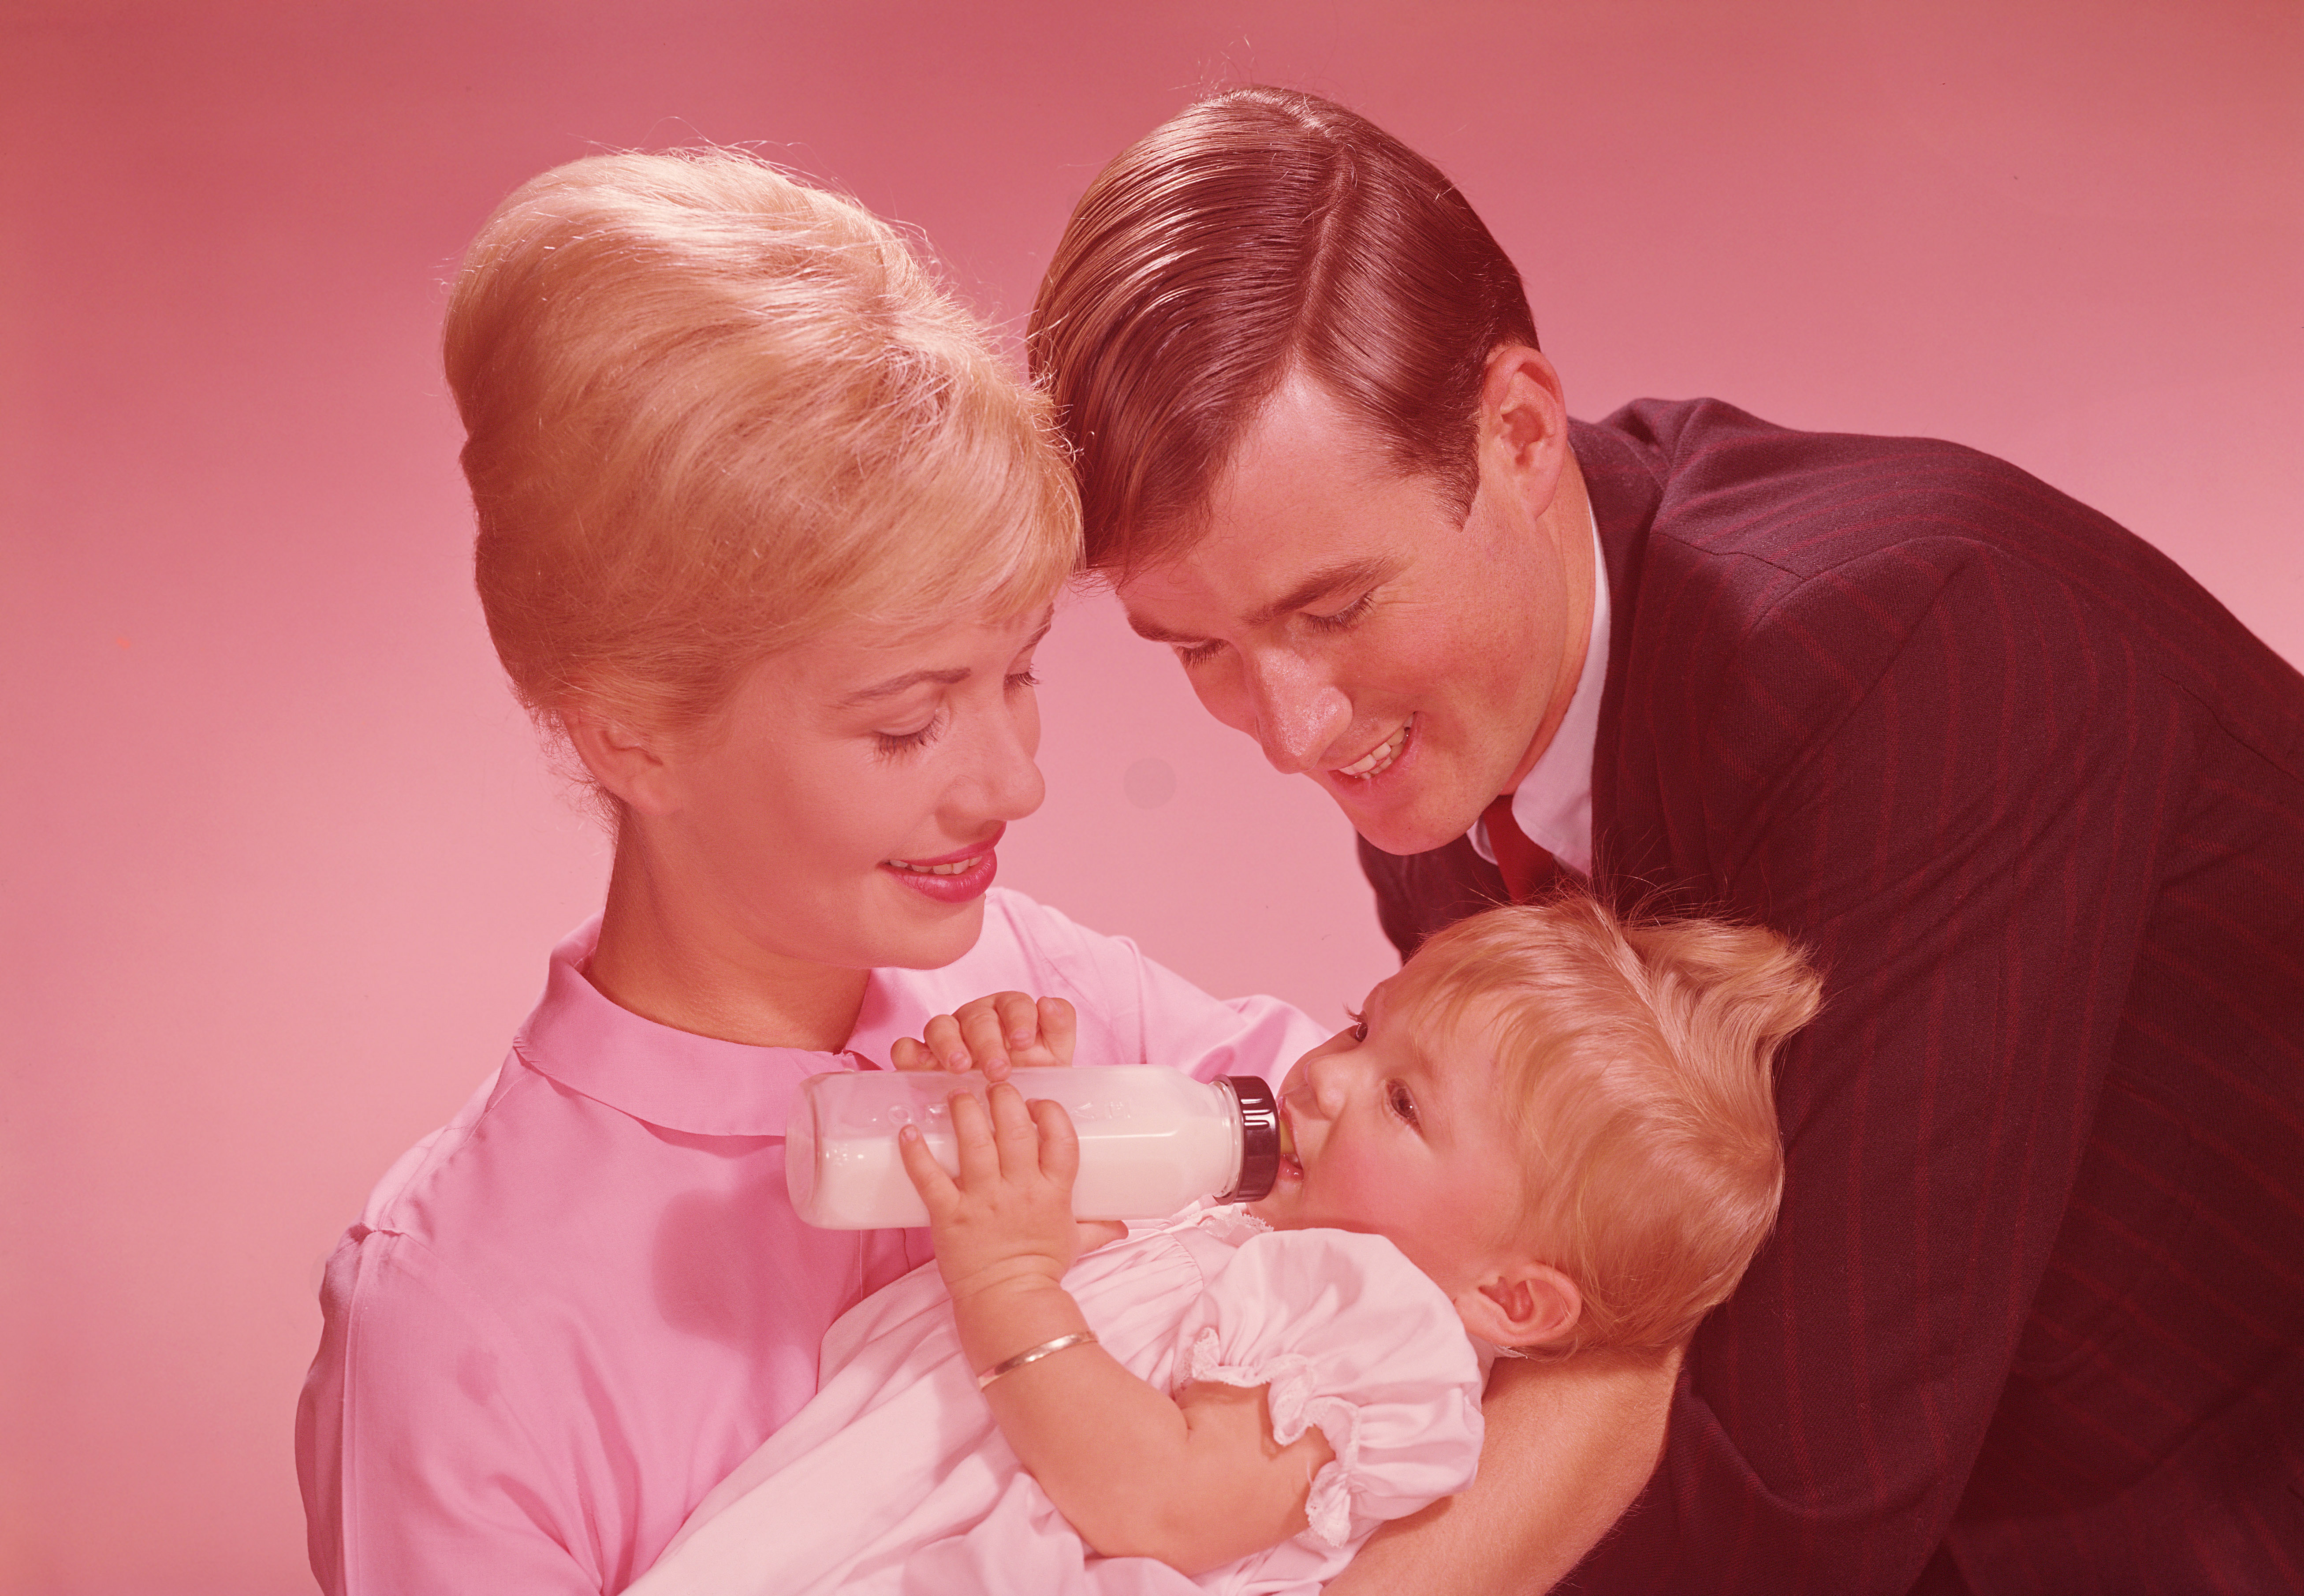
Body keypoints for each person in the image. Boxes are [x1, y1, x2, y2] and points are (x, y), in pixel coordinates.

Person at [1024, 85, 2304, 1594]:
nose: (1294, 730)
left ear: (1515, 432)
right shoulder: (1446, 751)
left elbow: (1798, 1481)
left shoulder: (1903, 651)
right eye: (1201, 649)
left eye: (1334, 610)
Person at [294, 149, 1329, 1594]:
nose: (1014, 782)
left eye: (1017, 675)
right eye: (906, 722)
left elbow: (1479, 1192)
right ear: (634, 735)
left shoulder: (1040, 988)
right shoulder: (463, 1325)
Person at [625, 896, 1823, 1595]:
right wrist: (1026, 1117)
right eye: (1363, 1025)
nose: (1324, 1071)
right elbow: (1092, 1289)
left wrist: (1006, 1273)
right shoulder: (1240, 1215)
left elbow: (1161, 1495)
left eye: (1402, 1102)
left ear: (1512, 1293)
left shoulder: (1376, 1333)